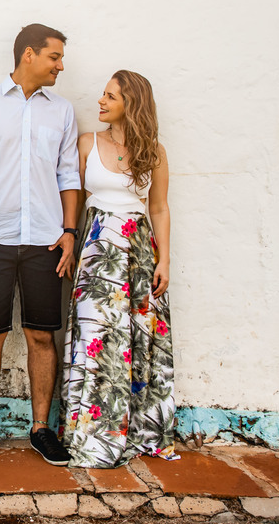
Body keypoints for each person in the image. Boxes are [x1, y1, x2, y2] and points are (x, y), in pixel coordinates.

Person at [0, 23, 81, 466]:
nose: (61, 65)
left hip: (46, 242)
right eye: (55, 57)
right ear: (29, 54)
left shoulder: (62, 111)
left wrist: (69, 231)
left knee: (42, 336)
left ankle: (41, 429)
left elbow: (69, 175)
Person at [60, 70, 176, 468]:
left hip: (137, 256)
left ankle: (134, 430)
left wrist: (164, 259)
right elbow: (72, 195)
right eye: (103, 95)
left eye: (110, 96)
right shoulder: (87, 143)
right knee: (95, 339)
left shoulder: (154, 152)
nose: (101, 102)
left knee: (134, 341)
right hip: (95, 252)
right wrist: (70, 237)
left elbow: (158, 207)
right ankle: (92, 436)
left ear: (132, 104)